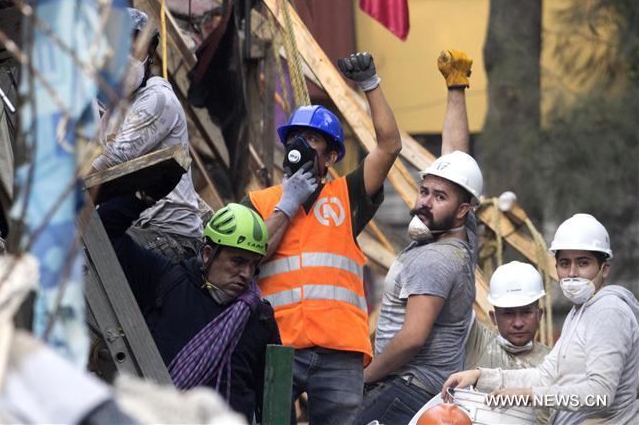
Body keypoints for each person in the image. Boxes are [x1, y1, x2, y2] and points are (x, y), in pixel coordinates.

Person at [241, 52, 401, 424]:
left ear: (330, 156)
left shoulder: (348, 196)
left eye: (312, 140)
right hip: (277, 346)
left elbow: (390, 146)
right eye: (296, 137)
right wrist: (289, 201)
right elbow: (251, 258)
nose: (301, 145)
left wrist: (371, 84)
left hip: (339, 352)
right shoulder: (258, 203)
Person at [353, 49, 483, 425]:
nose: (424, 202)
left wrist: (366, 377)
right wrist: (456, 87)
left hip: (409, 387)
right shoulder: (459, 236)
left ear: (461, 210)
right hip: (424, 388)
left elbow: (412, 338)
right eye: (424, 191)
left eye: (438, 197)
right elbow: (457, 161)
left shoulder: (434, 260)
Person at [442, 214, 639, 425]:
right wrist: (480, 376)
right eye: (565, 263)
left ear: (604, 269)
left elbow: (600, 396)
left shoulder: (608, 311)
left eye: (583, 263)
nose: (572, 273)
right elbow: (546, 376)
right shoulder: (579, 313)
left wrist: (527, 395)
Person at [98, 196, 280, 423]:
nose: (246, 273)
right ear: (207, 254)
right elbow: (101, 231)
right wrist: (146, 192)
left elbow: (276, 402)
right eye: (238, 261)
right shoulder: (166, 281)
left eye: (253, 264)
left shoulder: (259, 318)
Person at [93, 8, 203, 261]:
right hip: (136, 227)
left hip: (172, 237)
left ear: (150, 53)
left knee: (94, 252)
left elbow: (112, 160)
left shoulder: (157, 98)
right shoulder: (113, 110)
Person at [410, 260, 552, 424]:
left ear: (539, 315)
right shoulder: (477, 341)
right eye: (508, 314)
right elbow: (452, 293)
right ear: (493, 317)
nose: (518, 323)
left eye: (526, 312)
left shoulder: (555, 360)